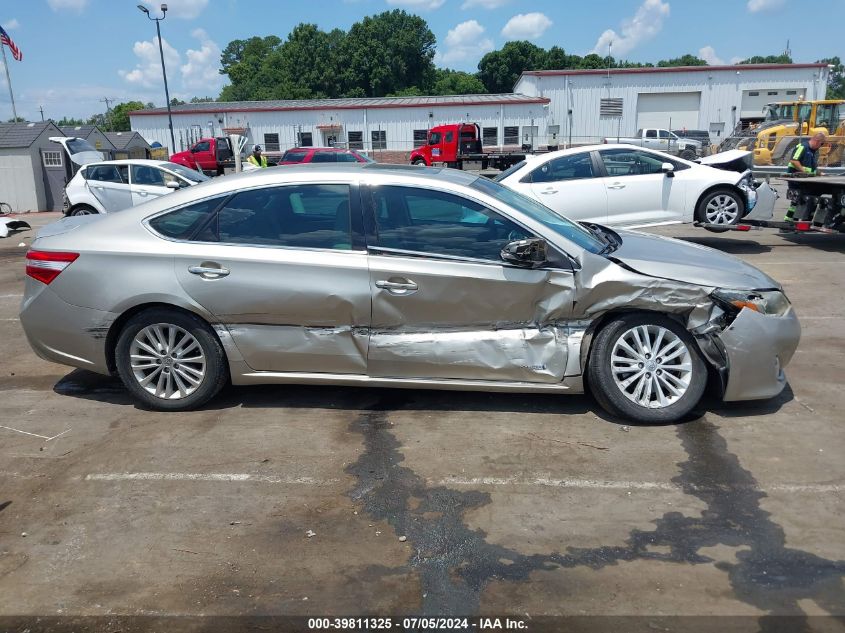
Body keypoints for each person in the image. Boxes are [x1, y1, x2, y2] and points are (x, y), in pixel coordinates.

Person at [783, 132, 826, 222]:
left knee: (804, 200)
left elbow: (812, 167)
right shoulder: (802, 147)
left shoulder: (813, 151)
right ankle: (789, 219)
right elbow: (794, 161)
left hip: (805, 180)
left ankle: (797, 220)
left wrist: (818, 173)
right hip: (796, 179)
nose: (820, 146)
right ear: (817, 141)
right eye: (821, 144)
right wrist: (804, 171)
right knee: (796, 200)